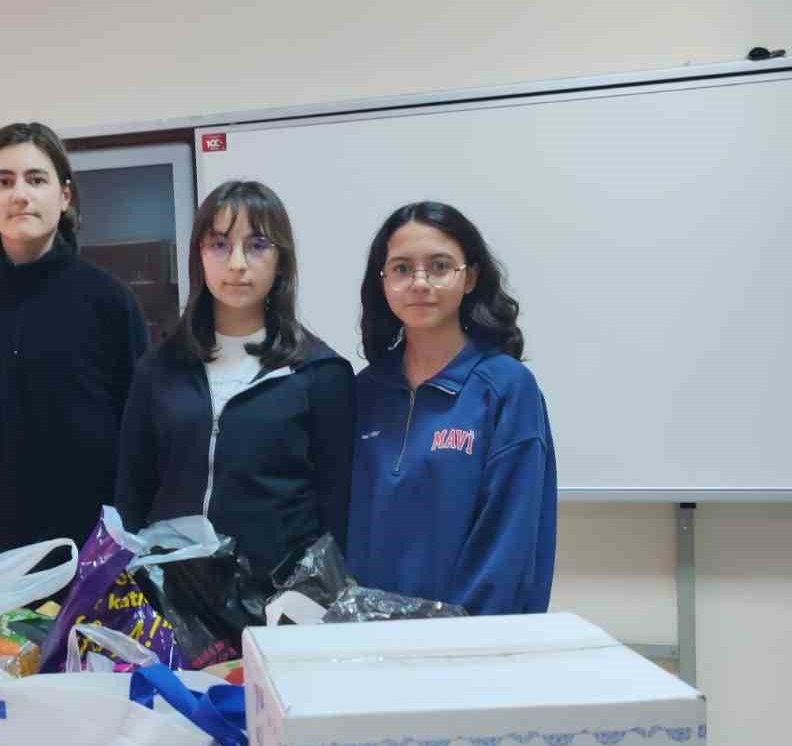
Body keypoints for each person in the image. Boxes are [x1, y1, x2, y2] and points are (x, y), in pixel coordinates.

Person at [116, 179, 355, 585]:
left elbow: (337, 510)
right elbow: (130, 498)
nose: (237, 263)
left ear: (281, 261)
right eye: (220, 245)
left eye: (257, 245)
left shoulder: (320, 373)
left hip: (280, 600)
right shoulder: (158, 370)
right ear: (199, 256)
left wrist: (311, 597)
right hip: (174, 595)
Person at [0, 121, 147, 554]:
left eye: (36, 179)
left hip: (92, 552)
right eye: (4, 181)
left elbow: (139, 431)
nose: (20, 194)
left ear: (64, 195)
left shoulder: (109, 301)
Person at [347, 201, 556, 614]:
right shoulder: (363, 392)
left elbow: (509, 545)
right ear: (383, 281)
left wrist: (461, 638)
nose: (419, 282)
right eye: (401, 268)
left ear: (470, 277)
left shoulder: (507, 390)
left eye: (439, 266)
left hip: (468, 640)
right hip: (364, 637)